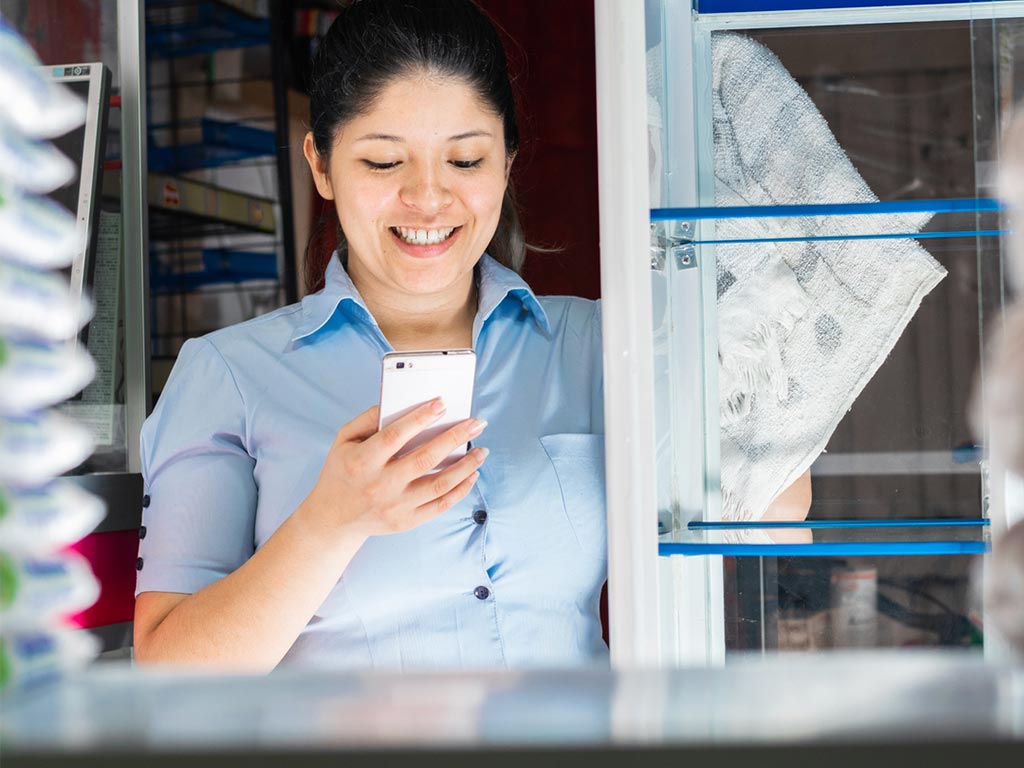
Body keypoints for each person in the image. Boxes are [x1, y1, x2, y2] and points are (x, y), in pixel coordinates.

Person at [133, 0, 608, 673]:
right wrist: (332, 521)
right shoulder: (226, 374)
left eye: (466, 160)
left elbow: (767, 509)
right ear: (321, 167)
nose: (429, 197)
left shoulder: (591, 343)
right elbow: (167, 676)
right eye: (384, 163)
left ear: (506, 163)